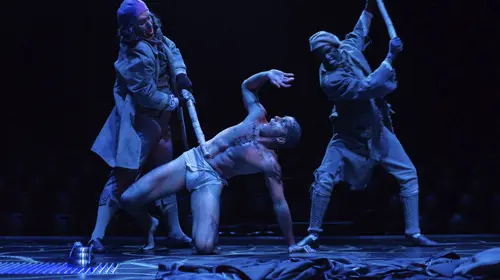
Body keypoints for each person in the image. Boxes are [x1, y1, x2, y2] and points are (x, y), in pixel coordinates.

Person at [120, 69, 314, 254]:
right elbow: (247, 86)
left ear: (281, 139)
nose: (278, 117)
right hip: (193, 159)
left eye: (283, 123)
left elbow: (279, 203)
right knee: (128, 199)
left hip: (211, 179)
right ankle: (150, 223)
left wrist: (291, 243)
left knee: (204, 247)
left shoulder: (269, 163)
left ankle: (203, 230)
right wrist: (267, 75)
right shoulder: (258, 115)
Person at [298, 0, 438, 248]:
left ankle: (413, 232)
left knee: (408, 173)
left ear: (335, 45)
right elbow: (368, 87)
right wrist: (390, 57)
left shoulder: (348, 48)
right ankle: (313, 233)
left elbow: (360, 28)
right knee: (324, 178)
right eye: (320, 55)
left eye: (328, 50)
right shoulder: (330, 80)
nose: (327, 56)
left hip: (375, 129)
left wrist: (370, 6)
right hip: (347, 135)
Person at [88, 0, 192, 252]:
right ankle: (97, 235)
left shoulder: (156, 36)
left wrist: (180, 75)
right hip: (142, 121)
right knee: (123, 175)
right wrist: (172, 100)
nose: (149, 23)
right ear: (131, 26)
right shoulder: (133, 52)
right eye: (142, 21)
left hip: (163, 120)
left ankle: (175, 231)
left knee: (166, 173)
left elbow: (172, 49)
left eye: (149, 17)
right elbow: (145, 93)